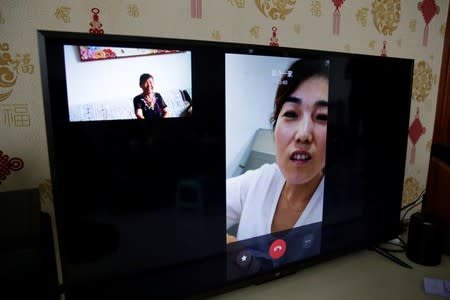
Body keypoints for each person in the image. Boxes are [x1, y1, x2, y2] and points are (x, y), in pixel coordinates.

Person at [226, 59, 329, 243]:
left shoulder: (344, 203)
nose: (303, 134)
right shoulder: (258, 182)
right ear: (275, 126)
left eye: (322, 116)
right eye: (291, 114)